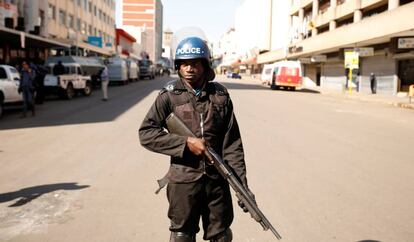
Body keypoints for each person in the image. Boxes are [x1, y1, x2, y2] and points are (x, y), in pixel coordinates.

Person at [139, 33, 251, 242]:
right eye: (184, 64)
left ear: (205, 65)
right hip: (183, 181)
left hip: (216, 181)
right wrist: (185, 143)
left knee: (222, 235)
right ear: (178, 66)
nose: (189, 69)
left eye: (195, 63)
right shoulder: (169, 95)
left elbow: (233, 144)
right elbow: (146, 133)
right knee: (182, 235)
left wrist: (242, 185)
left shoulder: (221, 96)